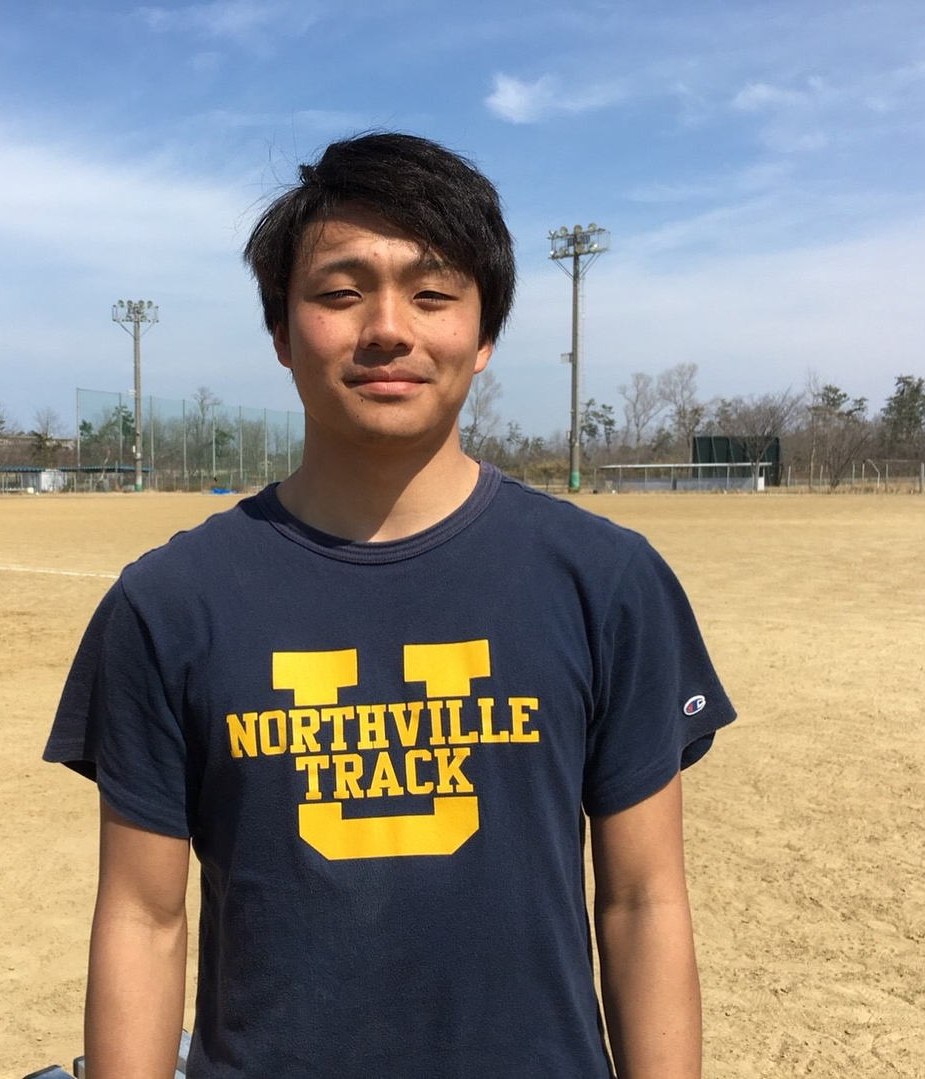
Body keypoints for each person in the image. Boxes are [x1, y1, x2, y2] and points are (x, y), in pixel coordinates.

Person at [45, 132, 735, 1078]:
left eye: (433, 293)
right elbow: (143, 916)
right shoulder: (169, 604)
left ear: (483, 335)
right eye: (340, 292)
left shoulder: (606, 581)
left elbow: (643, 900)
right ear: (281, 333)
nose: (387, 328)